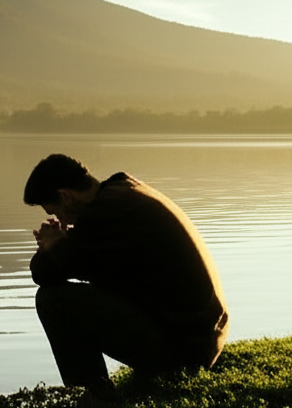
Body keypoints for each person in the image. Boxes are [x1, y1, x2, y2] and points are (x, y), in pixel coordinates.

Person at [24, 154, 229, 400]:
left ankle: (94, 395)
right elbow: (80, 263)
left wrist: (51, 245)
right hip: (201, 339)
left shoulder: (104, 214)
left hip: (186, 351)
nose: (59, 220)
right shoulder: (121, 194)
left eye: (54, 211)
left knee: (53, 300)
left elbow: (45, 274)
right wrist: (60, 245)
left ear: (66, 196)